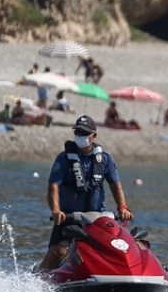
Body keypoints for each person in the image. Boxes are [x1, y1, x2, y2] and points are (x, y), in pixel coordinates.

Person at [38, 115, 132, 273]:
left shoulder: (105, 159)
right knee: (58, 251)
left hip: (97, 218)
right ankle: (38, 281)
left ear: (94, 135)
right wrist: (56, 211)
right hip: (69, 216)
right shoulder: (64, 159)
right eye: (78, 132)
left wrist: (122, 207)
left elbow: (115, 185)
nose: (80, 136)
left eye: (84, 133)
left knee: (115, 248)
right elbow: (53, 186)